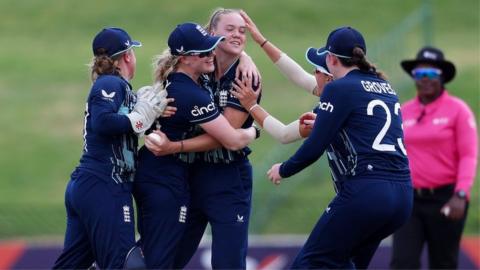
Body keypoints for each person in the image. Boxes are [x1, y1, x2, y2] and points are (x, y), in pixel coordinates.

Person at [267, 26, 413, 269]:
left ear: (332, 59)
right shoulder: (386, 87)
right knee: (347, 263)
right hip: (403, 197)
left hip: (368, 191)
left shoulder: (338, 88)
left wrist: (284, 169)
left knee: (309, 263)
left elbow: (315, 146)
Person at [132, 22, 259, 269]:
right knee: (159, 259)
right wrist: (254, 130)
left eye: (211, 48)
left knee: (158, 254)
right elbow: (232, 140)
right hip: (163, 179)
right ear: (185, 58)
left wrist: (244, 56)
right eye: (203, 52)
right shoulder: (191, 93)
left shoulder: (181, 80)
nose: (211, 54)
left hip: (163, 175)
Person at [53, 27, 168, 269]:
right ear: (127, 56)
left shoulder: (120, 88)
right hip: (105, 184)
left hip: (91, 185)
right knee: (128, 265)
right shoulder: (110, 83)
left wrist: (148, 114)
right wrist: (140, 118)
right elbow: (103, 121)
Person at [390, 46, 478, 269]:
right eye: (420, 74)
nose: (425, 79)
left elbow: (468, 155)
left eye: (431, 74)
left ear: (442, 77)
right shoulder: (404, 111)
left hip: (446, 199)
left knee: (443, 263)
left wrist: (461, 194)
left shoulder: (458, 110)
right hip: (409, 200)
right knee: (402, 262)